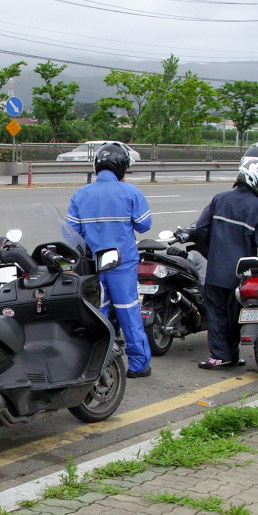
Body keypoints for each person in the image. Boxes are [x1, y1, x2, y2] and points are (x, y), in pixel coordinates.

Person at [67, 142, 153, 378]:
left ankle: (99, 365)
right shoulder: (131, 192)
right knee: (128, 313)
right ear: (122, 167)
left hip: (94, 265)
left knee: (98, 314)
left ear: (97, 165)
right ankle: (138, 364)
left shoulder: (81, 194)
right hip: (122, 265)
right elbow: (145, 225)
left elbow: (71, 232)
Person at [193, 161, 258, 370]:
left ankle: (220, 355)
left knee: (215, 313)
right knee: (234, 314)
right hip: (241, 273)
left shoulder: (219, 199)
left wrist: (211, 253)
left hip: (215, 270)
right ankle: (231, 354)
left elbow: (201, 230)